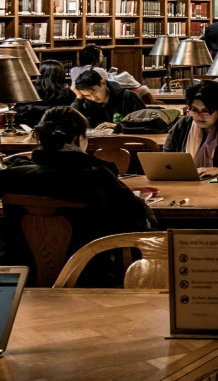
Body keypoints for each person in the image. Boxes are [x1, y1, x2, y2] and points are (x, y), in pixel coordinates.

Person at [0, 106, 155, 284]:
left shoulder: (11, 175)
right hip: (89, 274)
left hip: (23, 274)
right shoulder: (97, 177)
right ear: (78, 138)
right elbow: (135, 220)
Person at [71, 69, 147, 127]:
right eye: (87, 95)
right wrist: (79, 98)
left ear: (103, 83)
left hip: (127, 142)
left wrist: (117, 126)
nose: (93, 98)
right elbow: (71, 123)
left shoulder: (127, 96)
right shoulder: (87, 101)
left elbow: (146, 124)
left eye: (94, 92)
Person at [14, 60, 76, 128]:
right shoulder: (68, 93)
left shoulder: (29, 91)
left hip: (30, 128)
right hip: (59, 130)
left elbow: (17, 113)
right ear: (61, 75)